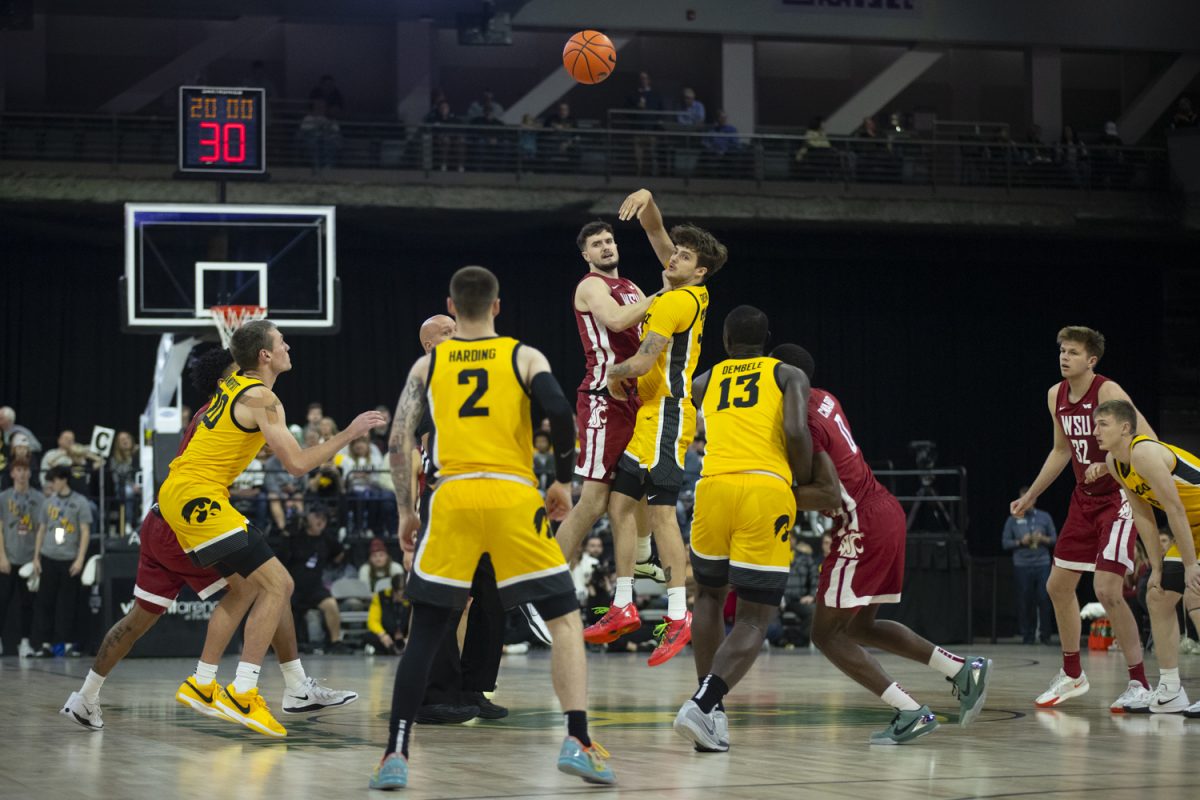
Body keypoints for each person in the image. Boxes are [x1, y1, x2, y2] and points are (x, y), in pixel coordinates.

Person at [371, 266, 614, 790]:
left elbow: (398, 440)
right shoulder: (523, 356)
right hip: (511, 494)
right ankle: (578, 739)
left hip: (452, 497)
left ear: (452, 307)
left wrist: (406, 510)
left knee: (426, 630)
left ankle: (395, 753)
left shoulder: (427, 364)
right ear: (497, 306)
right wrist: (563, 481)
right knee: (565, 619)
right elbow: (559, 413)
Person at [59, 347, 357, 731]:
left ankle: (85, 696)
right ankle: (226, 683)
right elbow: (292, 460)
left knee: (138, 620)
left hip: (159, 519)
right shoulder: (238, 399)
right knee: (266, 584)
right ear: (226, 380)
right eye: (239, 371)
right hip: (187, 520)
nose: (246, 375)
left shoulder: (209, 412)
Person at [156, 320, 385, 737]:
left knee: (247, 589)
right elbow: (296, 465)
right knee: (279, 585)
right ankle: (243, 692)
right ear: (265, 355)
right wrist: (350, 433)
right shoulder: (263, 396)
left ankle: (203, 683)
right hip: (199, 496)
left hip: (182, 495)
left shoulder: (233, 385)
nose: (287, 346)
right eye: (281, 342)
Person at [772, 344, 990, 744]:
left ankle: (910, 711)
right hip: (883, 510)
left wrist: (773, 492)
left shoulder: (801, 420)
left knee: (825, 634)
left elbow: (829, 495)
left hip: (859, 523)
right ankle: (961, 669)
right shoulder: (825, 400)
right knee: (859, 626)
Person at [583, 189, 727, 668]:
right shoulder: (687, 284)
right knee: (621, 505)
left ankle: (677, 613)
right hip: (650, 415)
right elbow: (655, 232)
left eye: (683, 256)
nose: (673, 256)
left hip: (667, 414)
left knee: (662, 516)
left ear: (698, 270)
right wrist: (648, 203)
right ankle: (623, 602)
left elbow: (643, 359)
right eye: (676, 252)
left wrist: (610, 376)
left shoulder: (673, 301)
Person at [672, 306, 823, 752]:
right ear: (768, 337)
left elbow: (678, 418)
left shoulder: (704, 380)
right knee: (757, 615)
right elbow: (796, 430)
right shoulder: (788, 373)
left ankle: (711, 713)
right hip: (763, 487)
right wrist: (799, 476)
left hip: (712, 487)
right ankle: (705, 703)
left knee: (710, 598)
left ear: (724, 339)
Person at [1010, 326, 1155, 710]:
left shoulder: (1107, 391)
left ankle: (1139, 682)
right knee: (1057, 586)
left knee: (1107, 590)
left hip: (1119, 497)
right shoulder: (1055, 395)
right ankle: (1073, 674)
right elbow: (1061, 451)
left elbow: (1145, 440)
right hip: (1083, 500)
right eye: (1061, 350)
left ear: (1091, 360)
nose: (1063, 357)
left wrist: (1109, 466)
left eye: (1072, 352)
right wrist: (1032, 495)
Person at [411, 313, 510, 726]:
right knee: (444, 602)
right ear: (431, 346)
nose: (458, 336)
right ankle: (433, 695)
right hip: (445, 501)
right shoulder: (425, 383)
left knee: (494, 600)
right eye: (447, 333)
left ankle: (473, 687)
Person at [553, 219, 661, 589]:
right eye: (597, 243)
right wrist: (662, 297)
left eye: (609, 240)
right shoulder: (592, 285)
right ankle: (543, 580)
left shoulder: (630, 286)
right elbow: (615, 322)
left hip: (635, 396)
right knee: (595, 500)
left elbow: (651, 331)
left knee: (639, 482)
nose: (606, 247)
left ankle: (644, 556)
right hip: (604, 396)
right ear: (586, 255)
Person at [1094, 400, 1200, 717]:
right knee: (1157, 595)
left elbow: (1175, 509)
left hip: (1192, 521)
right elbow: (1143, 514)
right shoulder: (1115, 461)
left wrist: (1192, 565)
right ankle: (1170, 690)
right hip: (1191, 528)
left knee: (1195, 593)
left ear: (1125, 428)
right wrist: (1156, 566)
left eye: (1103, 424)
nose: (1095, 431)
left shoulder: (1146, 453)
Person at [31, 464, 92, 657]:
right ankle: (45, 644)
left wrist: (80, 559)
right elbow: (41, 529)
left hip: (69, 558)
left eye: (55, 480)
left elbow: (85, 531)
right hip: (49, 556)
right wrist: (36, 557)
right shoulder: (48, 502)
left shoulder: (80, 502)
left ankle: (67, 643)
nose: (52, 484)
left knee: (68, 603)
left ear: (64, 479)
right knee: (45, 602)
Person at [278, 504, 349, 652]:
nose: (321, 521)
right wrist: (286, 535)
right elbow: (281, 557)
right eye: (317, 517)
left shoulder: (327, 539)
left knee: (331, 605)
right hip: (294, 587)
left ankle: (335, 642)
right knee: (284, 610)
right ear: (308, 518)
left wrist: (333, 562)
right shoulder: (297, 536)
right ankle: (285, 644)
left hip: (315, 587)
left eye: (324, 518)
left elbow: (339, 553)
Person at [1001, 486, 1057, 644]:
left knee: (1044, 598)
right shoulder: (1013, 519)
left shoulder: (1045, 517)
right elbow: (1005, 543)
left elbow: (1055, 539)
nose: (1026, 502)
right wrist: (1020, 541)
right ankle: (1027, 635)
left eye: (1029, 498)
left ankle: (1045, 635)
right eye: (1023, 498)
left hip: (1042, 564)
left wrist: (1043, 539)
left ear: (1035, 498)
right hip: (1022, 565)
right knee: (1025, 600)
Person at [0, 457, 43, 657]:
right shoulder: (4, 497)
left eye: (25, 470)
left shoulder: (39, 498)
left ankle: (25, 643)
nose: (22, 473)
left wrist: (36, 558)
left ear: (30, 473)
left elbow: (42, 529)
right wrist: (2, 557)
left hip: (28, 558)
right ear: (12, 473)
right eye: (18, 469)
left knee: (28, 604)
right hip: (8, 557)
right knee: (3, 601)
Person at [367, 573, 411, 655]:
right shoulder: (380, 597)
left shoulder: (412, 598)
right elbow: (373, 621)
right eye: (400, 592)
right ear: (394, 590)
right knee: (370, 636)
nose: (403, 597)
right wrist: (382, 635)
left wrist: (409, 636)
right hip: (387, 633)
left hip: (406, 634)